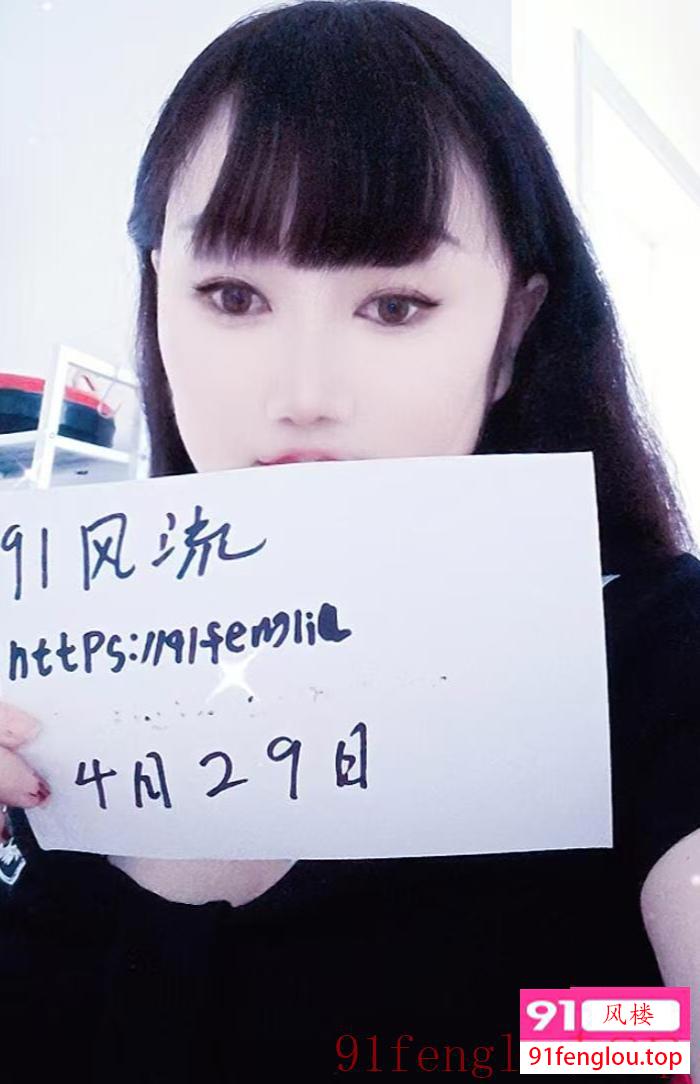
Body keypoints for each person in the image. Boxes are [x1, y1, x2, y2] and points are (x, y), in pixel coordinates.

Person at [1, 2, 699, 1079]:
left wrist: (617, 1045)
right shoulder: (48, 675)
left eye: (396, 306)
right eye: (232, 295)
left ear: (510, 333)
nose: (305, 392)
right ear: (160, 302)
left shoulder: (658, 658)